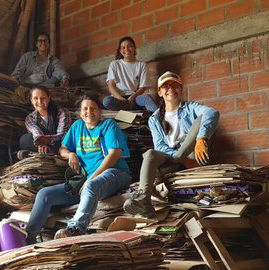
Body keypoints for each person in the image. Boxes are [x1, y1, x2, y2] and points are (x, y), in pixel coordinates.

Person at [25, 92, 131, 243]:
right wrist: (71, 154)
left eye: (93, 108)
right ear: (80, 113)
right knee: (45, 194)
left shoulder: (108, 125)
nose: (89, 112)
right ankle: (29, 237)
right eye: (85, 109)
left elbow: (114, 155)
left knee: (91, 186)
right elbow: (62, 149)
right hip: (86, 180)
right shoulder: (77, 127)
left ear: (100, 111)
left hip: (115, 173)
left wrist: (91, 179)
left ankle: (75, 229)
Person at [123, 71, 219, 217]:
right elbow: (159, 146)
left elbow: (212, 113)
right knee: (150, 154)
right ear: (160, 92)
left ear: (181, 89)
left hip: (191, 155)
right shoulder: (154, 119)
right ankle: (145, 201)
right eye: (165, 86)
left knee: (201, 119)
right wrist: (175, 157)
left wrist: (200, 139)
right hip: (171, 159)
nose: (171, 89)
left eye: (175, 85)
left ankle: (178, 158)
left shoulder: (190, 107)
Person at [102, 36, 156, 112]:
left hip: (134, 98)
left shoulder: (141, 65)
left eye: (129, 46)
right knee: (106, 101)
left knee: (147, 98)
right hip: (119, 99)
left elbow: (143, 87)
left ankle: (158, 120)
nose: (126, 49)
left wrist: (133, 97)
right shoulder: (115, 64)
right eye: (123, 47)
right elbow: (110, 85)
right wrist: (120, 98)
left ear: (134, 48)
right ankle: (128, 107)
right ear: (120, 51)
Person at [19, 86, 71, 155]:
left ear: (48, 98)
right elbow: (36, 131)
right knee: (25, 139)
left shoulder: (61, 112)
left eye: (43, 98)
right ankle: (48, 151)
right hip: (43, 146)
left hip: (59, 143)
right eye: (35, 98)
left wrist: (48, 139)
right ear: (31, 100)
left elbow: (63, 134)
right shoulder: (30, 118)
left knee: (66, 141)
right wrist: (40, 143)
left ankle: (54, 151)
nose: (39, 101)